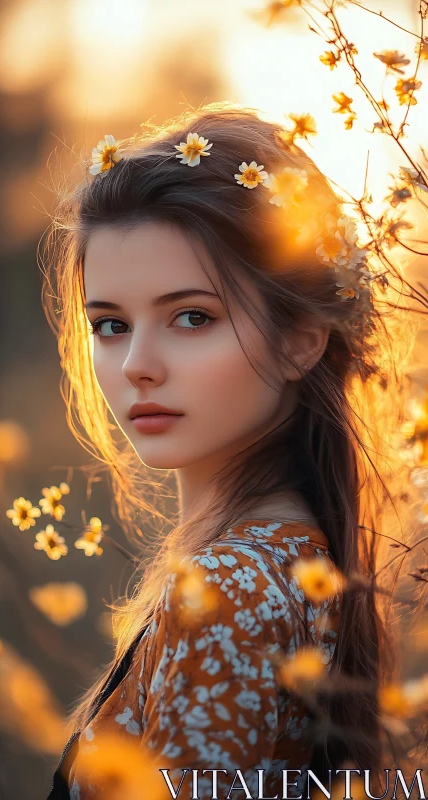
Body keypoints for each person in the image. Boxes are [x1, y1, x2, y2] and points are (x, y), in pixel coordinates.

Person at [43, 101, 401, 799]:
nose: (139, 364)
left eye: (192, 317)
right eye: (110, 324)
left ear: (301, 336)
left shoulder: (228, 591)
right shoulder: (293, 565)